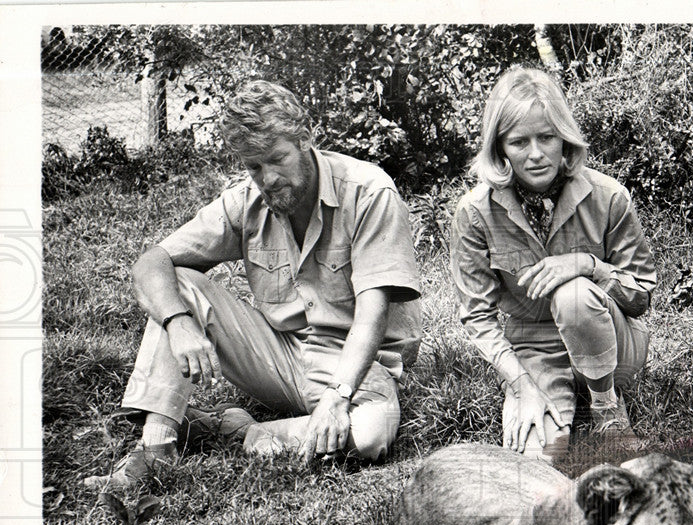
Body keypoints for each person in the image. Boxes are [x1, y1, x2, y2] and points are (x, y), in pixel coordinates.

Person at [84, 80, 421, 489]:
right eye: (253, 166)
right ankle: (156, 449)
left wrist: (338, 394)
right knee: (181, 282)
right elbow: (151, 262)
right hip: (278, 355)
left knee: (369, 435)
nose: (269, 178)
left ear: (306, 139)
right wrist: (179, 323)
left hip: (354, 363)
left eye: (278, 159)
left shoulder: (369, 192)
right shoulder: (246, 199)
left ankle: (236, 431)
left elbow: (372, 314)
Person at [450, 67, 656, 462]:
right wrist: (520, 383)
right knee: (539, 456)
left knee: (574, 294)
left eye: (546, 137)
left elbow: (641, 296)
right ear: (500, 148)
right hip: (534, 348)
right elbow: (478, 317)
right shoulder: (475, 212)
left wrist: (589, 265)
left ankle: (608, 411)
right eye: (519, 141)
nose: (536, 154)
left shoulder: (608, 196)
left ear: (565, 138)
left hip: (614, 345)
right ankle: (549, 402)